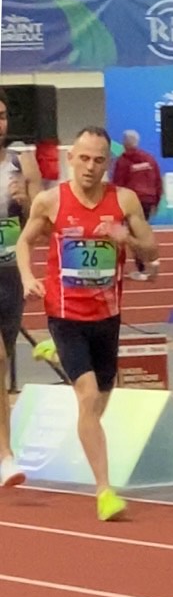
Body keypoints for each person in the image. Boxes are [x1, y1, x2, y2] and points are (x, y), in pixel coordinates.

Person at [16, 127, 159, 521]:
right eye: (83, 158)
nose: (90, 167)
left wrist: (125, 237)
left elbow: (152, 249)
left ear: (107, 163)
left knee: (99, 403)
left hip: (106, 316)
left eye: (98, 160)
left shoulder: (124, 200)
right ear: (70, 159)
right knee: (87, 395)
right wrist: (29, 278)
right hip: (64, 313)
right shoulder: (49, 201)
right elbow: (24, 241)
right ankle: (104, 491)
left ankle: (52, 353)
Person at [0, 90, 43, 488]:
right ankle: (5, 454)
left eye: (1, 115)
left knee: (2, 361)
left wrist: (25, 201)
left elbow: (38, 227)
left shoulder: (20, 163)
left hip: (9, 273)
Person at [112, 130, 163, 280]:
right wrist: (156, 201)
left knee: (133, 237)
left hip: (133, 202)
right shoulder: (149, 158)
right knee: (143, 233)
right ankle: (151, 265)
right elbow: (157, 181)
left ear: (124, 144)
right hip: (147, 200)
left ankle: (143, 269)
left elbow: (118, 184)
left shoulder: (122, 162)